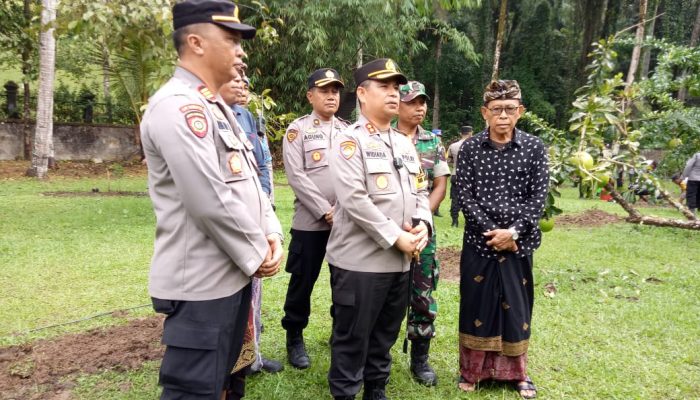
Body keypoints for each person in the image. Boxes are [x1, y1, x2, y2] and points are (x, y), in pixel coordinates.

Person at [140, 1, 284, 399]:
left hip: (231, 274)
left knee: (225, 384)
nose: (241, 50)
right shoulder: (178, 107)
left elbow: (250, 182)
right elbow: (209, 199)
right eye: (231, 38)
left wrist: (272, 232)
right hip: (201, 285)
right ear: (195, 42)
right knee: (195, 392)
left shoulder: (217, 108)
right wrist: (258, 251)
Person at [326, 58, 432, 400]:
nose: (393, 93)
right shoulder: (348, 141)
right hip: (360, 264)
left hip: (400, 263)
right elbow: (355, 200)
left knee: (385, 336)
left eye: (396, 87)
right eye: (384, 86)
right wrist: (397, 237)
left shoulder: (403, 142)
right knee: (352, 339)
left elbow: (420, 189)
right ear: (361, 93)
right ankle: (345, 393)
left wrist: (423, 227)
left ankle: (376, 391)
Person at [454, 80, 548, 399]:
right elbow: (464, 195)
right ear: (485, 113)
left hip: (519, 243)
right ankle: (472, 373)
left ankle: (518, 374)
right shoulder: (469, 148)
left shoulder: (535, 148)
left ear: (520, 112)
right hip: (480, 241)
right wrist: (492, 232)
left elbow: (539, 196)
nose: (503, 115)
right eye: (497, 110)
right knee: (476, 303)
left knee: (517, 308)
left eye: (510, 109)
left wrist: (514, 232)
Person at [281, 68, 348, 369]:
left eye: (335, 90)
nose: (331, 95)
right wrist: (325, 210)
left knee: (345, 281)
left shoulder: (350, 131)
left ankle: (340, 334)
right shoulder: (297, 131)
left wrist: (344, 211)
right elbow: (296, 176)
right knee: (302, 282)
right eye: (324, 90)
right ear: (311, 95)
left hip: (345, 224)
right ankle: (294, 337)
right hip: (310, 224)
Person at [220, 74, 282, 375]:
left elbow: (262, 163)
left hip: (257, 216)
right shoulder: (210, 115)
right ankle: (234, 361)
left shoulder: (247, 117)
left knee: (254, 295)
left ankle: (251, 356)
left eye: (246, 83)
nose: (242, 87)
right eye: (235, 80)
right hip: (229, 222)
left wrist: (267, 206)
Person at [395, 80, 450, 386]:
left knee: (422, 294)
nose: (419, 107)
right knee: (383, 294)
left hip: (423, 232)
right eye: (413, 102)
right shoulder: (383, 138)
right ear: (398, 105)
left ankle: (420, 359)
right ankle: (376, 353)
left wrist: (422, 219)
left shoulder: (432, 142)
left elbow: (440, 185)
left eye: (423, 102)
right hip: (389, 230)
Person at [447, 125, 473, 227]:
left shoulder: (453, 146)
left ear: (460, 133)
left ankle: (455, 221)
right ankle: (469, 221)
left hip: (455, 174)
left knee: (455, 199)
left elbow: (448, 160)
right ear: (471, 133)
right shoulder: (474, 145)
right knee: (470, 199)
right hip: (470, 177)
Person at [681, 152, 700, 217]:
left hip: (693, 179)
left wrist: (683, 176)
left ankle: (692, 214)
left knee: (691, 195)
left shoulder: (697, 155)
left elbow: (688, 166)